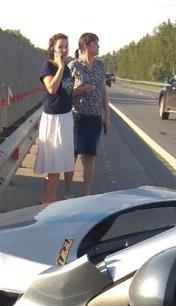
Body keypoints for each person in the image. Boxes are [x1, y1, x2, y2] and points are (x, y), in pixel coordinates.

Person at [35, 33, 75, 203]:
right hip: (54, 119)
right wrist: (60, 67)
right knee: (56, 163)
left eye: (66, 46)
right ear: (53, 48)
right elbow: (51, 88)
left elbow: (67, 91)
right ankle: (47, 199)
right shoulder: (49, 66)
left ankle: (48, 197)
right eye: (60, 47)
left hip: (65, 117)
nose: (64, 50)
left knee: (59, 162)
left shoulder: (67, 69)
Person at [69, 32, 109, 196]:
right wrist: (82, 90)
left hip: (95, 118)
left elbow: (104, 91)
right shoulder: (73, 66)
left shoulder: (101, 66)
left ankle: (86, 195)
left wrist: (107, 116)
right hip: (77, 117)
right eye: (96, 43)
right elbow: (66, 92)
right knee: (72, 155)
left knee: (90, 157)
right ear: (86, 45)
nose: (98, 46)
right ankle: (69, 192)